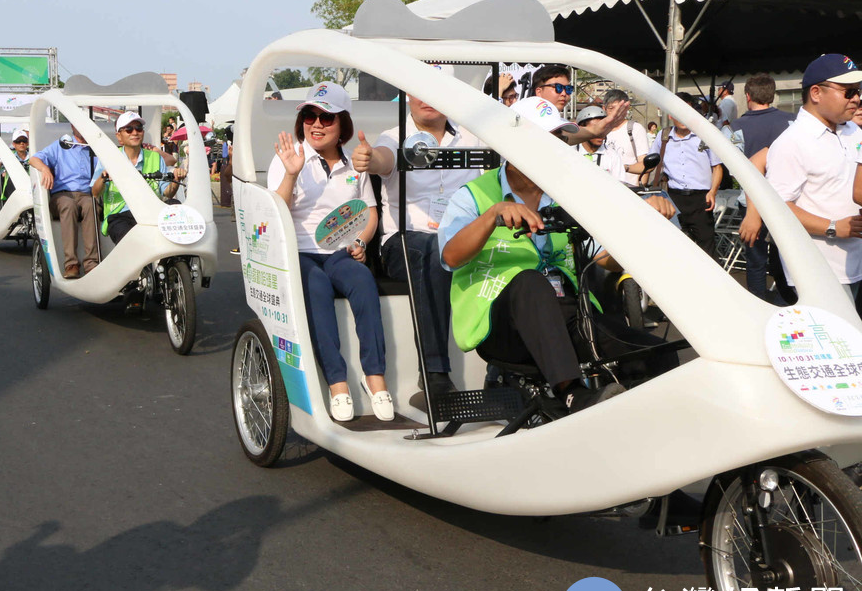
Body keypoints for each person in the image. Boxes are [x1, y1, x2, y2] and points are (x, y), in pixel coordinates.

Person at [438, 100, 678, 413]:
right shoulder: (473, 195)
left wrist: (643, 227)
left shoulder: (569, 195)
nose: (558, 149)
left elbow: (602, 260)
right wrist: (493, 215)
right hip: (501, 328)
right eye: (546, 140)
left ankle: (654, 424)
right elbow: (450, 257)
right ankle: (572, 393)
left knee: (657, 352)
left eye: (560, 141)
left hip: (568, 318)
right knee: (530, 282)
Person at [269, 82, 392, 423]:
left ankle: (376, 379)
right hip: (301, 254)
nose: (317, 124)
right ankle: (337, 384)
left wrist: (362, 242)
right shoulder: (289, 158)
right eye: (310, 116)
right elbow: (273, 211)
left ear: (342, 126)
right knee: (317, 291)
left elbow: (370, 212)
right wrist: (291, 175)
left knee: (363, 282)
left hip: (340, 251)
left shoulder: (354, 165)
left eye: (327, 117)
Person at [351, 92, 484, 398]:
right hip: (404, 242)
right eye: (418, 91)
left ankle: (505, 372)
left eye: (435, 90)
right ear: (407, 96)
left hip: (463, 241)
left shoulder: (472, 136)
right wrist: (370, 160)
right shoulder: (393, 136)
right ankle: (434, 375)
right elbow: (383, 158)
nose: (428, 99)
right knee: (434, 249)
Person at [766, 54, 862, 297]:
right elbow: (776, 208)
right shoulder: (791, 142)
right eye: (848, 92)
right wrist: (832, 227)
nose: (857, 98)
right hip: (820, 271)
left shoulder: (853, 131)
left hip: (856, 263)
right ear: (816, 93)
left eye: (858, 91)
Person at [732, 74, 797, 302]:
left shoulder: (736, 126)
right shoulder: (792, 121)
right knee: (788, 258)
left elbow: (734, 166)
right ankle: (790, 301)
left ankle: (758, 302)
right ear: (772, 94)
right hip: (787, 201)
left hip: (751, 203)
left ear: (747, 96)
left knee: (755, 259)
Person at [634, 94, 723, 257]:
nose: (682, 116)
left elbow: (717, 167)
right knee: (674, 249)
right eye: (678, 111)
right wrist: (624, 167)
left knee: (707, 250)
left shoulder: (705, 135)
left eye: (686, 111)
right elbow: (648, 165)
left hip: (701, 200)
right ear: (670, 115)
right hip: (673, 199)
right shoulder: (664, 137)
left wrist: (713, 191)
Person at [91, 112, 186, 246]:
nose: (135, 132)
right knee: (131, 244)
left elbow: (167, 192)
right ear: (119, 136)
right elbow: (95, 193)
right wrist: (103, 177)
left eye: (138, 128)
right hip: (120, 214)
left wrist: (177, 179)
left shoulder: (155, 158)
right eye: (129, 129)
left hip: (152, 211)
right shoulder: (109, 157)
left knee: (175, 206)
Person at [30, 126, 98, 279]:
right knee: (69, 205)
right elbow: (33, 159)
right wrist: (45, 169)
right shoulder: (61, 145)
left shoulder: (94, 148)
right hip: (61, 195)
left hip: (86, 194)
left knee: (91, 206)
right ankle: (71, 264)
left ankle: (91, 263)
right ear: (74, 127)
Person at [601, 89, 651, 184]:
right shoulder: (599, 130)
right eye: (611, 108)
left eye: (620, 108)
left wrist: (640, 190)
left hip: (629, 190)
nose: (616, 112)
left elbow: (644, 165)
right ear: (604, 108)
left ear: (627, 108)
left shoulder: (635, 129)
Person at [573, 105, 628, 183]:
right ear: (582, 129)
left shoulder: (612, 156)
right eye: (595, 129)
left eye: (603, 128)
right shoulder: (570, 151)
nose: (600, 133)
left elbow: (620, 187)